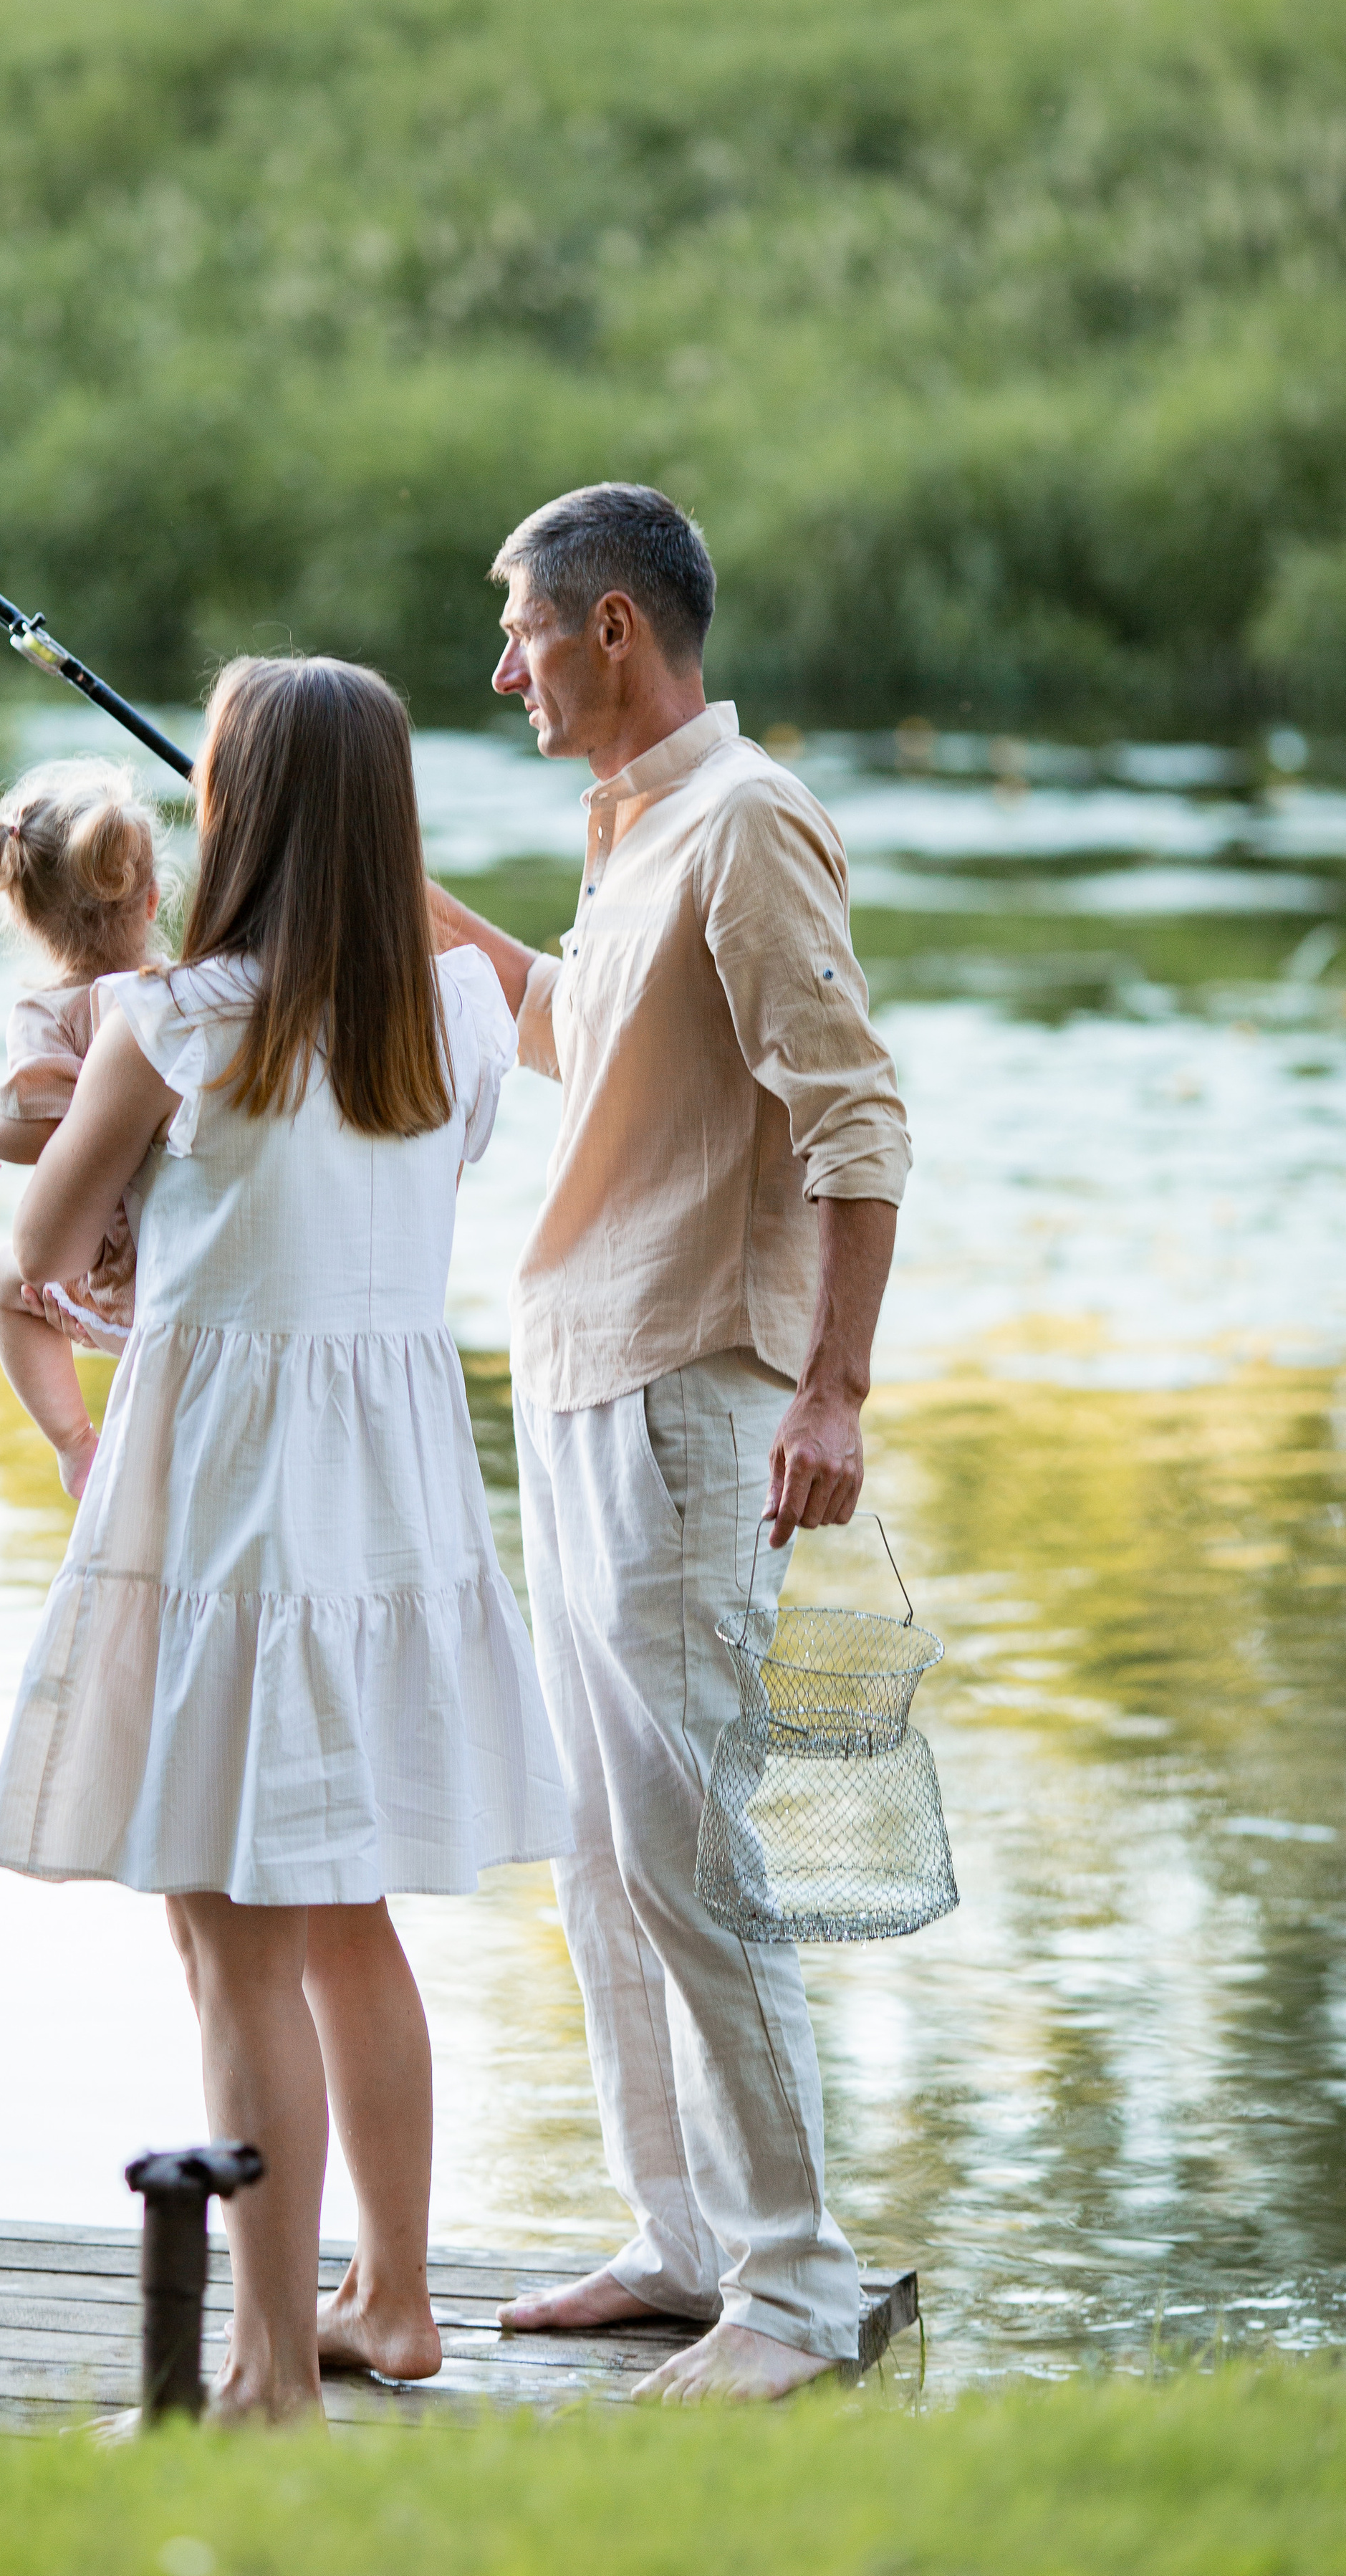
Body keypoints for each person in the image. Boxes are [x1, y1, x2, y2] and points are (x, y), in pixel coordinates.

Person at [0, 656, 572, 2423]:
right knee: (342, 1918)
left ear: (224, 813)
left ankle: (267, 2374)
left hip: (233, 1504)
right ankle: (387, 2299)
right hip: (385, 1513)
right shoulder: (449, 1020)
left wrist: (92, 1246)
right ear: (389, 830)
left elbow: (38, 1243)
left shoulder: (176, 1018)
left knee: (228, 1931)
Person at [429, 484, 912, 2405]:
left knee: (690, 1849)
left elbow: (856, 1118)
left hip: (695, 1399)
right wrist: (406, 890)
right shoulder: (629, 835)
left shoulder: (748, 820)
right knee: (603, 1852)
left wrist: (838, 1388)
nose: (504, 664)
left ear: (615, 628)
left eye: (523, 628)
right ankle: (688, 2242)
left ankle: (791, 2290)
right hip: (571, 1380)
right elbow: (572, 1038)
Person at [0, 760, 161, 1500]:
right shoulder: (178, 990)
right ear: (152, 900)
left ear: (24, 916)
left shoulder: (46, 1018)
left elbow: (46, 1136)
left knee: (3, 1279)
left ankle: (75, 1445)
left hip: (123, 1284)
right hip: (195, 1257)